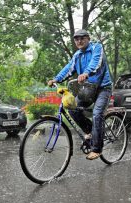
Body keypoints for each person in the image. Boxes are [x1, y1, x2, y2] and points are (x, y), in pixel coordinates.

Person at [48, 29, 112, 160]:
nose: (79, 41)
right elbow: (68, 68)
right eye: (76, 39)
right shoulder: (77, 55)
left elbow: (96, 63)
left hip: (103, 88)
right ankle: (90, 131)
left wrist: (87, 73)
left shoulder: (96, 47)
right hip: (88, 88)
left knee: (97, 113)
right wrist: (56, 79)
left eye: (82, 38)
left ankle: (97, 148)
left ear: (88, 38)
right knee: (72, 108)